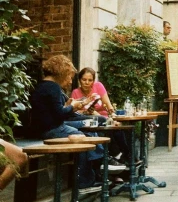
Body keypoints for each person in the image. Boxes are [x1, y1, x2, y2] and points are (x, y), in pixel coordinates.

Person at [30, 55, 121, 193]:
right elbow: (60, 114)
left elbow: (54, 111)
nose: (70, 81)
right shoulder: (53, 87)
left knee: (88, 131)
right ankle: (86, 180)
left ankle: (100, 165)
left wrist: (71, 106)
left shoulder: (42, 86)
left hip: (48, 127)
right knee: (81, 139)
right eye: (69, 76)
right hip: (53, 128)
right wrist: (74, 107)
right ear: (62, 73)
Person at [71, 67, 129, 166]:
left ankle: (126, 157)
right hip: (92, 120)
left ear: (93, 81)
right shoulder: (75, 92)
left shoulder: (98, 86)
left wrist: (112, 116)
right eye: (84, 80)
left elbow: (109, 106)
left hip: (106, 118)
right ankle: (119, 158)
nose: (87, 82)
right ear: (79, 80)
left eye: (90, 80)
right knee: (108, 130)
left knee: (118, 127)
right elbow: (77, 113)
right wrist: (87, 112)